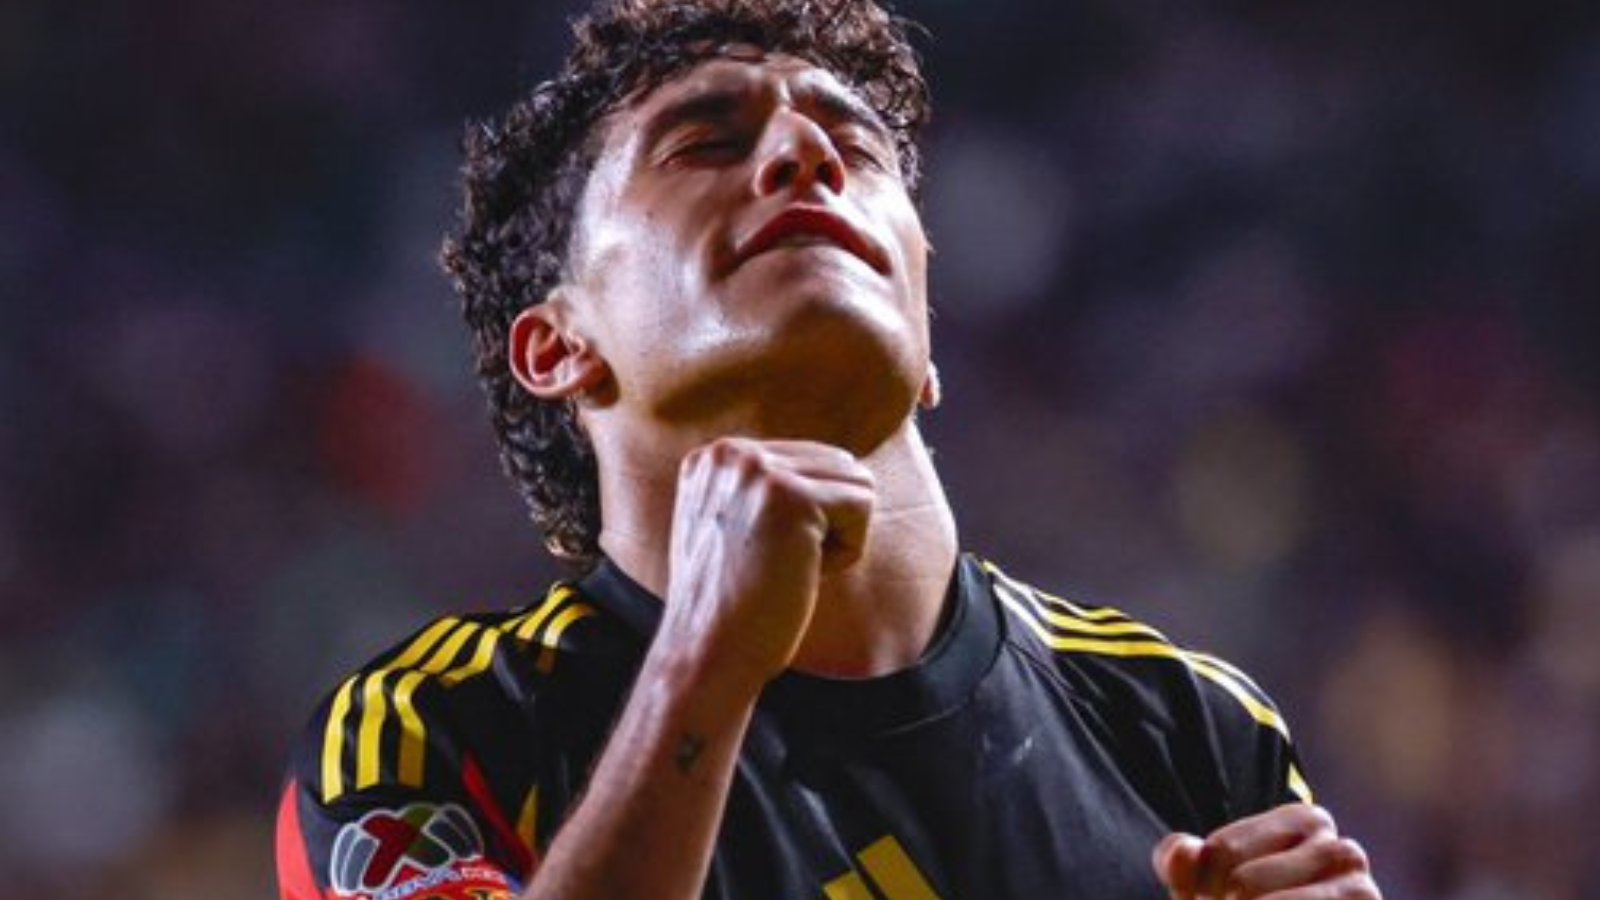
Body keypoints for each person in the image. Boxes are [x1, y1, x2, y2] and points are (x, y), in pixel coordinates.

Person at [276, 1, 1383, 899]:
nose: (804, 152)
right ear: (558, 344)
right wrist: (703, 666)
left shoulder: (1184, 723)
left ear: (923, 328)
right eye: (705, 140)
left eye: (853, 145)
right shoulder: (439, 727)